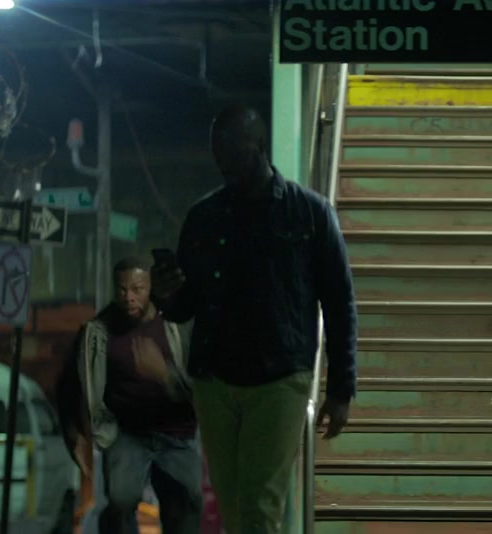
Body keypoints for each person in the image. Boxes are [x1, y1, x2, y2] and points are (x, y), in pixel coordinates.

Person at [150, 105, 358, 534]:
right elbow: (185, 307)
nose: (224, 162)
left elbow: (339, 303)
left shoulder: (309, 213)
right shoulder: (204, 217)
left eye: (233, 151)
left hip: (279, 381)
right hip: (215, 382)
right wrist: (166, 294)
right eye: (218, 153)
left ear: (259, 145)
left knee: (260, 509)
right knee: (235, 511)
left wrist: (341, 388)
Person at [56, 257, 203, 534]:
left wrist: (164, 374)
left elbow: (200, 386)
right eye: (122, 290)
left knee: (185, 505)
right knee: (120, 505)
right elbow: (68, 385)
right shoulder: (98, 331)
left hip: (177, 435)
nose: (129, 298)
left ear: (151, 288)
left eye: (137, 289)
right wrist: (73, 434)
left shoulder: (176, 325)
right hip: (127, 434)